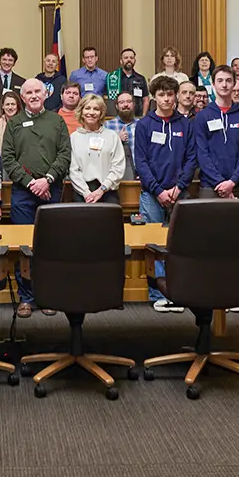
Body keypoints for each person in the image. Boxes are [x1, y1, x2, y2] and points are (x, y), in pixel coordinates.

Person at [1, 78, 71, 313]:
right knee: (25, 247)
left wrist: (47, 179)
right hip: (23, 192)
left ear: (45, 94)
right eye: (28, 92)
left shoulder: (57, 121)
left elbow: (64, 155)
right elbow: (8, 159)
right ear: (22, 97)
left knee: (49, 245)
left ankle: (48, 295)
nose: (33, 95)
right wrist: (31, 183)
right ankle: (26, 297)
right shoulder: (14, 124)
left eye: (37, 91)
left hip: (52, 189)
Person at [134, 74, 194, 313]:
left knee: (180, 243)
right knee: (155, 245)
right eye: (161, 95)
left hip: (181, 192)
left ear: (176, 96)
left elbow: (191, 158)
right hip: (152, 194)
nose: (167, 99)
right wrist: (159, 191)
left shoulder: (185, 125)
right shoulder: (144, 125)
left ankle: (178, 291)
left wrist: (178, 188)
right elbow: (141, 161)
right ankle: (158, 293)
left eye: (170, 94)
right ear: (154, 97)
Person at [194, 67, 239, 201]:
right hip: (210, 186)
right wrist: (219, 182)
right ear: (213, 84)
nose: (224, 84)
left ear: (234, 84)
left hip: (238, 185)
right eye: (220, 80)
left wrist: (232, 182)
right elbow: (202, 153)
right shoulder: (202, 116)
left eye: (228, 81)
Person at [69, 93, 125, 206]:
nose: (91, 112)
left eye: (96, 109)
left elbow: (118, 167)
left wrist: (102, 189)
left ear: (101, 113)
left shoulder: (112, 136)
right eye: (87, 108)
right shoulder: (73, 138)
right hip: (82, 194)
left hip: (108, 192)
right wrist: (86, 193)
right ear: (81, 111)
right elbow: (73, 170)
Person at [104, 90, 139, 180]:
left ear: (133, 104)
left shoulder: (141, 124)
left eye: (129, 101)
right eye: (121, 102)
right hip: (115, 174)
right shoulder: (107, 125)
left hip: (139, 172)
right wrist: (117, 139)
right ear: (117, 106)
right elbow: (103, 151)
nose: (125, 105)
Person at [105, 48, 149, 115]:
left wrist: (144, 116)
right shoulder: (113, 78)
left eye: (131, 58)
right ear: (121, 61)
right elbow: (106, 98)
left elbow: (145, 99)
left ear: (134, 60)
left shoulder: (141, 78)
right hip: (118, 117)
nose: (129, 60)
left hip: (137, 117)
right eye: (126, 58)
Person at [0, 88, 23, 154]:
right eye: (7, 104)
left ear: (17, 106)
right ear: (2, 106)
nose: (10, 107)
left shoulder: (25, 125)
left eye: (13, 104)